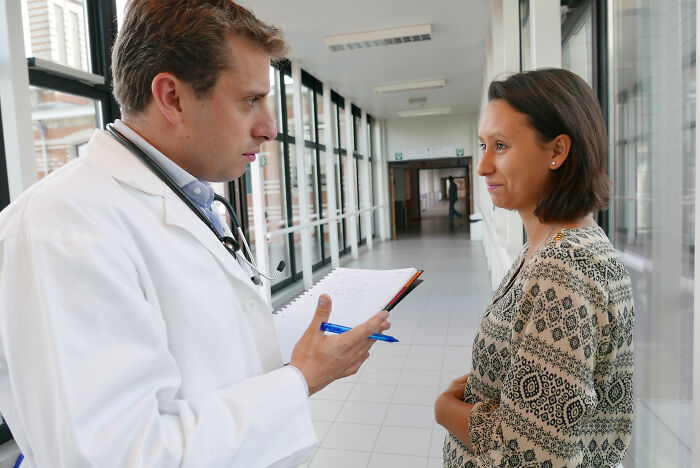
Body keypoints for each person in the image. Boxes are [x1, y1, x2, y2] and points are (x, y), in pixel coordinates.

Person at [0, 1, 391, 467]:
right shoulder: (63, 227)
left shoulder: (187, 197)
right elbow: (116, 456)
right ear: (172, 98)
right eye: (250, 101)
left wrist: (288, 354)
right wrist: (301, 379)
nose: (269, 128)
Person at [435, 68, 634, 467]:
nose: (483, 166)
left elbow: (530, 457)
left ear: (557, 151)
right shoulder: (552, 250)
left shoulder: (563, 269)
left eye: (501, 146)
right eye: (483, 146)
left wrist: (446, 410)